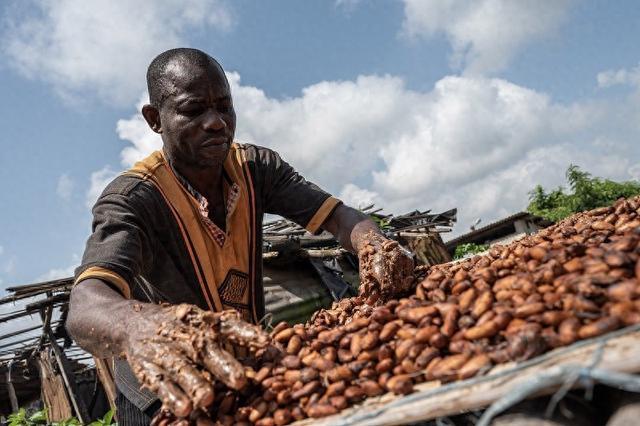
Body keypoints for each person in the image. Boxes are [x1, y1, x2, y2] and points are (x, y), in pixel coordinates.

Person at [66, 48, 413, 425]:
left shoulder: (255, 168)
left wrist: (373, 243)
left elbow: (341, 218)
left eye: (224, 107)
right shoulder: (134, 200)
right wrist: (137, 326)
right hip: (166, 391)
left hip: (243, 371)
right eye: (193, 109)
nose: (216, 123)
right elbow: (86, 305)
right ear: (155, 119)